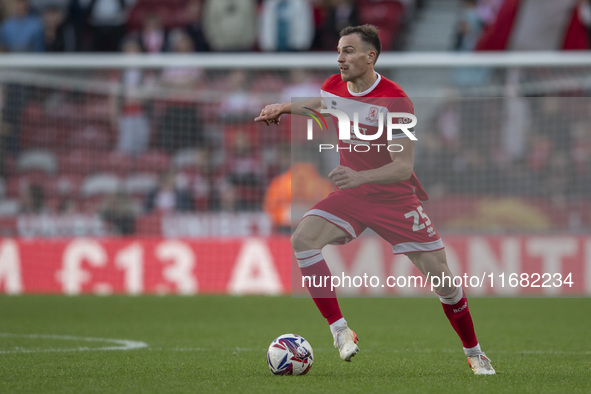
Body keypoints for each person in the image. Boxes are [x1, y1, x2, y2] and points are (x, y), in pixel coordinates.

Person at [255, 24, 495, 375]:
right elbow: (324, 104)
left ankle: (475, 353)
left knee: (443, 280)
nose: (340, 57)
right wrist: (283, 107)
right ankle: (339, 330)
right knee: (303, 239)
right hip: (352, 195)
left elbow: (402, 167)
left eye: (349, 51)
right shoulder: (334, 85)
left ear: (371, 56)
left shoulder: (395, 100)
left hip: (395, 199)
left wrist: (359, 176)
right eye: (338, 50)